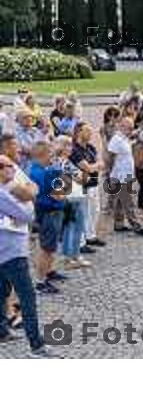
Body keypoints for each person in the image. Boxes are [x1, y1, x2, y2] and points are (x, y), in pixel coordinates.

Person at [0, 154, 54, 357]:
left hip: (6, 249)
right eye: (9, 167)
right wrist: (27, 199)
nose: (14, 170)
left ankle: (2, 330)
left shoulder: (8, 190)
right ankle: (36, 345)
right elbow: (28, 214)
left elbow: (31, 192)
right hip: (12, 251)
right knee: (27, 297)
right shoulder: (4, 193)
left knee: (2, 291)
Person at [28, 141, 66, 292]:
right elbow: (59, 195)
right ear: (42, 155)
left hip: (45, 212)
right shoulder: (47, 172)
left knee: (49, 246)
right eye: (50, 153)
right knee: (47, 249)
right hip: (50, 212)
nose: (53, 156)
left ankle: (49, 272)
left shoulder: (35, 170)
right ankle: (40, 282)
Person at [107, 117, 143, 236]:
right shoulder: (116, 139)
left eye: (132, 128)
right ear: (122, 127)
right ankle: (136, 225)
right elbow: (110, 157)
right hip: (120, 176)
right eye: (129, 128)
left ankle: (118, 224)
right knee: (128, 202)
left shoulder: (124, 138)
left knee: (120, 202)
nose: (131, 130)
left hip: (125, 174)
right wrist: (111, 172)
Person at [54, 136, 92, 270]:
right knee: (73, 228)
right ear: (62, 147)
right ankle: (71, 257)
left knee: (73, 227)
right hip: (72, 198)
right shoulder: (64, 163)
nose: (71, 148)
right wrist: (85, 174)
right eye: (69, 145)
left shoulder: (60, 161)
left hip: (70, 196)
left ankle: (71, 256)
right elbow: (81, 178)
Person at [70, 122, 105, 249]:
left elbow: (100, 163)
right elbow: (87, 167)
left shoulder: (90, 147)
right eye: (87, 131)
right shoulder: (74, 150)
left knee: (95, 210)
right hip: (84, 185)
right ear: (79, 132)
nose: (90, 134)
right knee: (85, 213)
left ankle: (91, 236)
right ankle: (82, 241)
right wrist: (95, 167)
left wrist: (94, 167)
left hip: (94, 183)